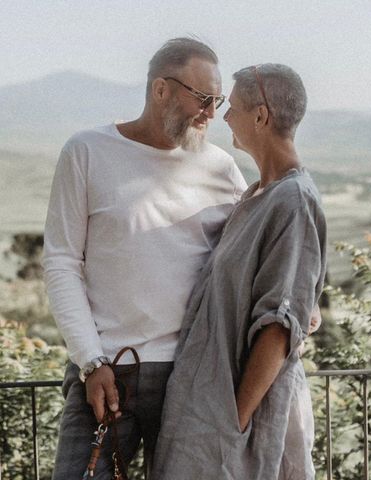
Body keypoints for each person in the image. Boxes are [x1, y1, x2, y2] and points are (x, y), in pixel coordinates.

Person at [43, 38, 248, 479]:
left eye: (219, 101)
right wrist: (91, 361)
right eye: (204, 99)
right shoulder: (86, 151)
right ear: (161, 90)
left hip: (193, 376)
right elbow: (61, 263)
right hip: (109, 373)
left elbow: (255, 255)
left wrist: (300, 306)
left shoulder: (221, 167)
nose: (212, 113)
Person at [152, 64, 327, 479]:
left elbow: (279, 326)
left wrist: (235, 422)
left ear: (261, 116)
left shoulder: (294, 200)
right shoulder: (256, 195)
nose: (224, 117)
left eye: (233, 107)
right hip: (213, 414)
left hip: (246, 422)